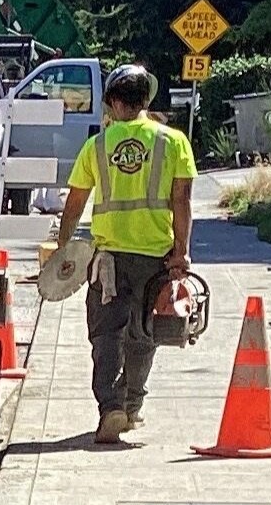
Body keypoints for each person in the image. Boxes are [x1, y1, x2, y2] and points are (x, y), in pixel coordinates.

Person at [57, 63, 195, 445]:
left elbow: (75, 202)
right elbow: (182, 199)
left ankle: (111, 408)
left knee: (105, 335)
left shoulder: (97, 145)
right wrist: (181, 251)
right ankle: (133, 406)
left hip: (109, 258)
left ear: (114, 103)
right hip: (156, 257)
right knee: (143, 333)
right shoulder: (173, 141)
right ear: (146, 100)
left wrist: (63, 247)